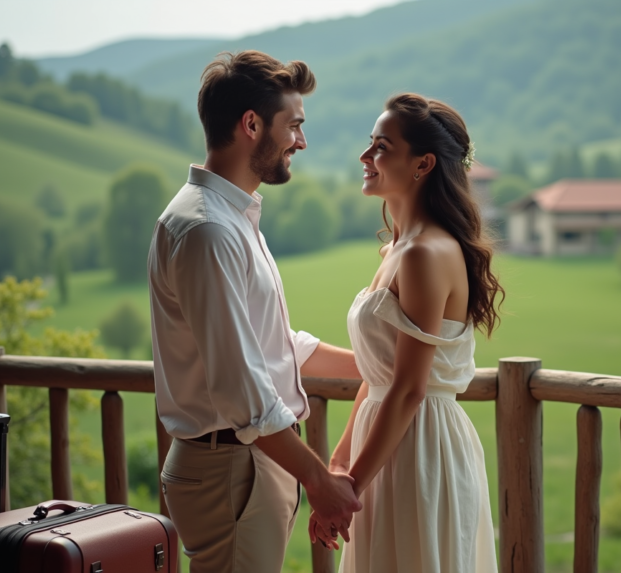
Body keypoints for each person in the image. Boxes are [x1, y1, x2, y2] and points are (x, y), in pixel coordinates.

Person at [147, 50, 362, 573]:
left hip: (244, 462)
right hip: (231, 467)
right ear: (251, 125)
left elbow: (269, 342)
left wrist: (371, 366)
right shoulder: (209, 230)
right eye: (294, 126)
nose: (301, 142)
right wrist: (320, 480)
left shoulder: (229, 217)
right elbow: (241, 386)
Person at [309, 93, 503, 572]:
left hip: (420, 450)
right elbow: (380, 377)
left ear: (423, 164)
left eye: (380, 147)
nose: (365, 157)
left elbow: (410, 388)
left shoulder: (425, 254)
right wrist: (338, 463)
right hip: (382, 445)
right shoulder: (397, 249)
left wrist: (348, 489)